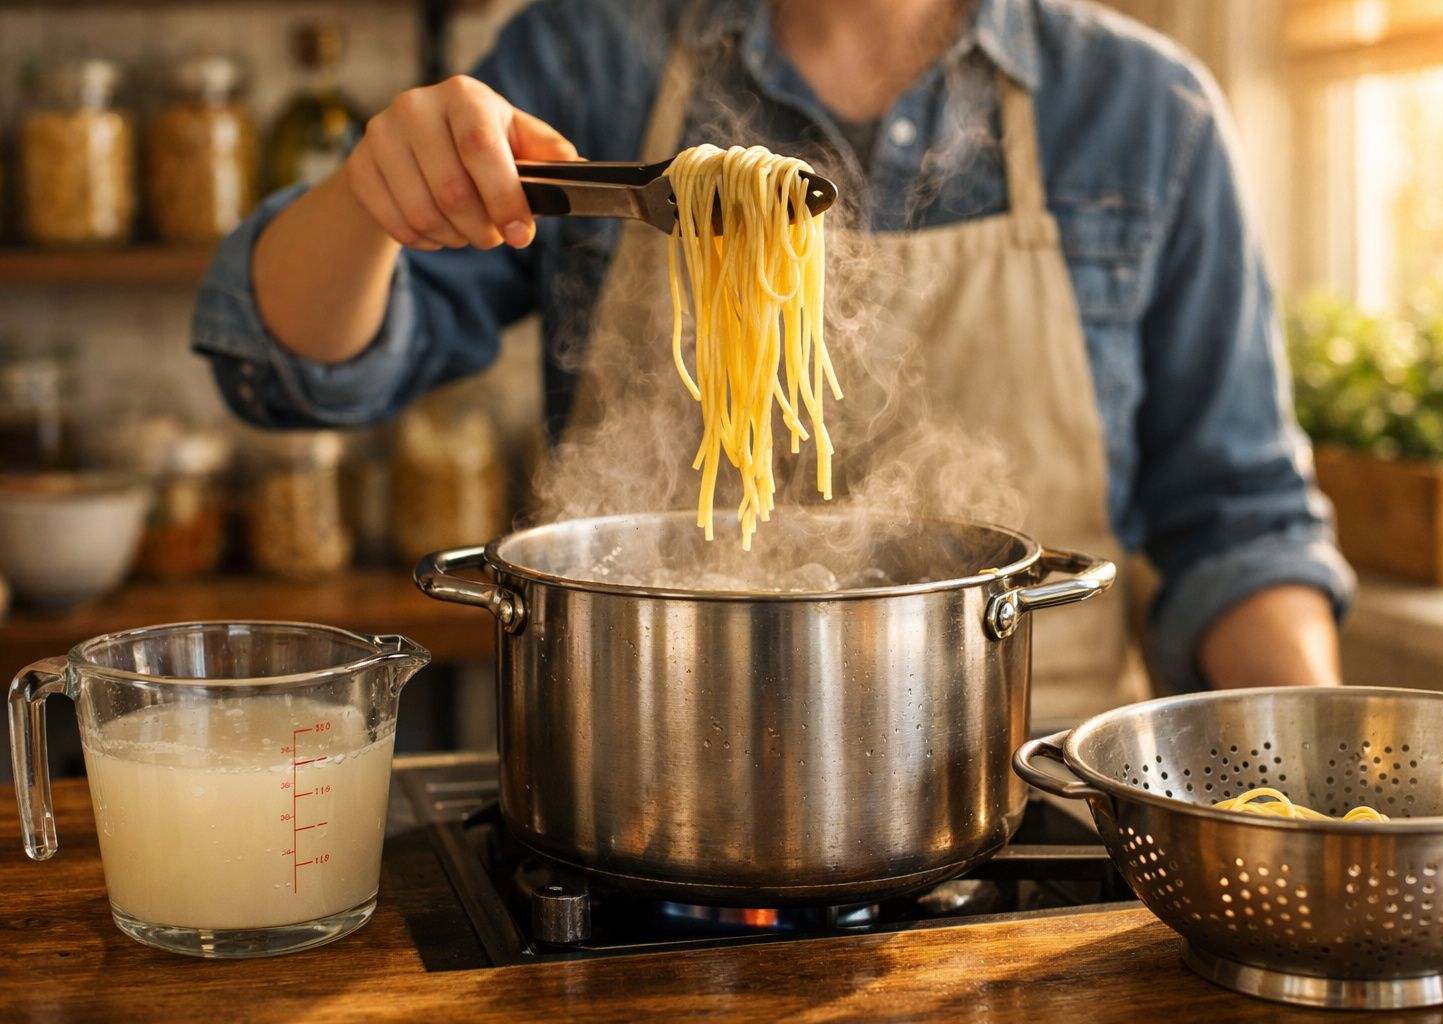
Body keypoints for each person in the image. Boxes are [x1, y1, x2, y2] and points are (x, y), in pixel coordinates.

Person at [192, 0, 1355, 723]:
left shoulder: (1148, 110)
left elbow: (1237, 530)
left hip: (1037, 790)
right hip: (648, 759)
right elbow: (294, 372)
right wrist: (369, 202)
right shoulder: (587, 53)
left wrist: (1316, 772)